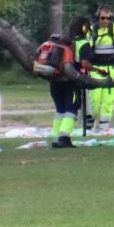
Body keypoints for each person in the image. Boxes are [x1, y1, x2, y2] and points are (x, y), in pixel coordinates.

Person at [34, 21, 88, 149]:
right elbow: (73, 67)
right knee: (72, 109)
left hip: (54, 84)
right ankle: (64, 138)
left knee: (60, 110)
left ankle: (56, 137)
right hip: (70, 85)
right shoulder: (69, 48)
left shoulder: (45, 47)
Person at [78, 4, 114, 133]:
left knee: (108, 101)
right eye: (102, 18)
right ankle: (93, 125)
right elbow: (84, 48)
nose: (105, 21)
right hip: (95, 69)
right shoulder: (91, 30)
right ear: (98, 17)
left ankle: (104, 128)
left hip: (112, 69)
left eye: (108, 18)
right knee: (95, 100)